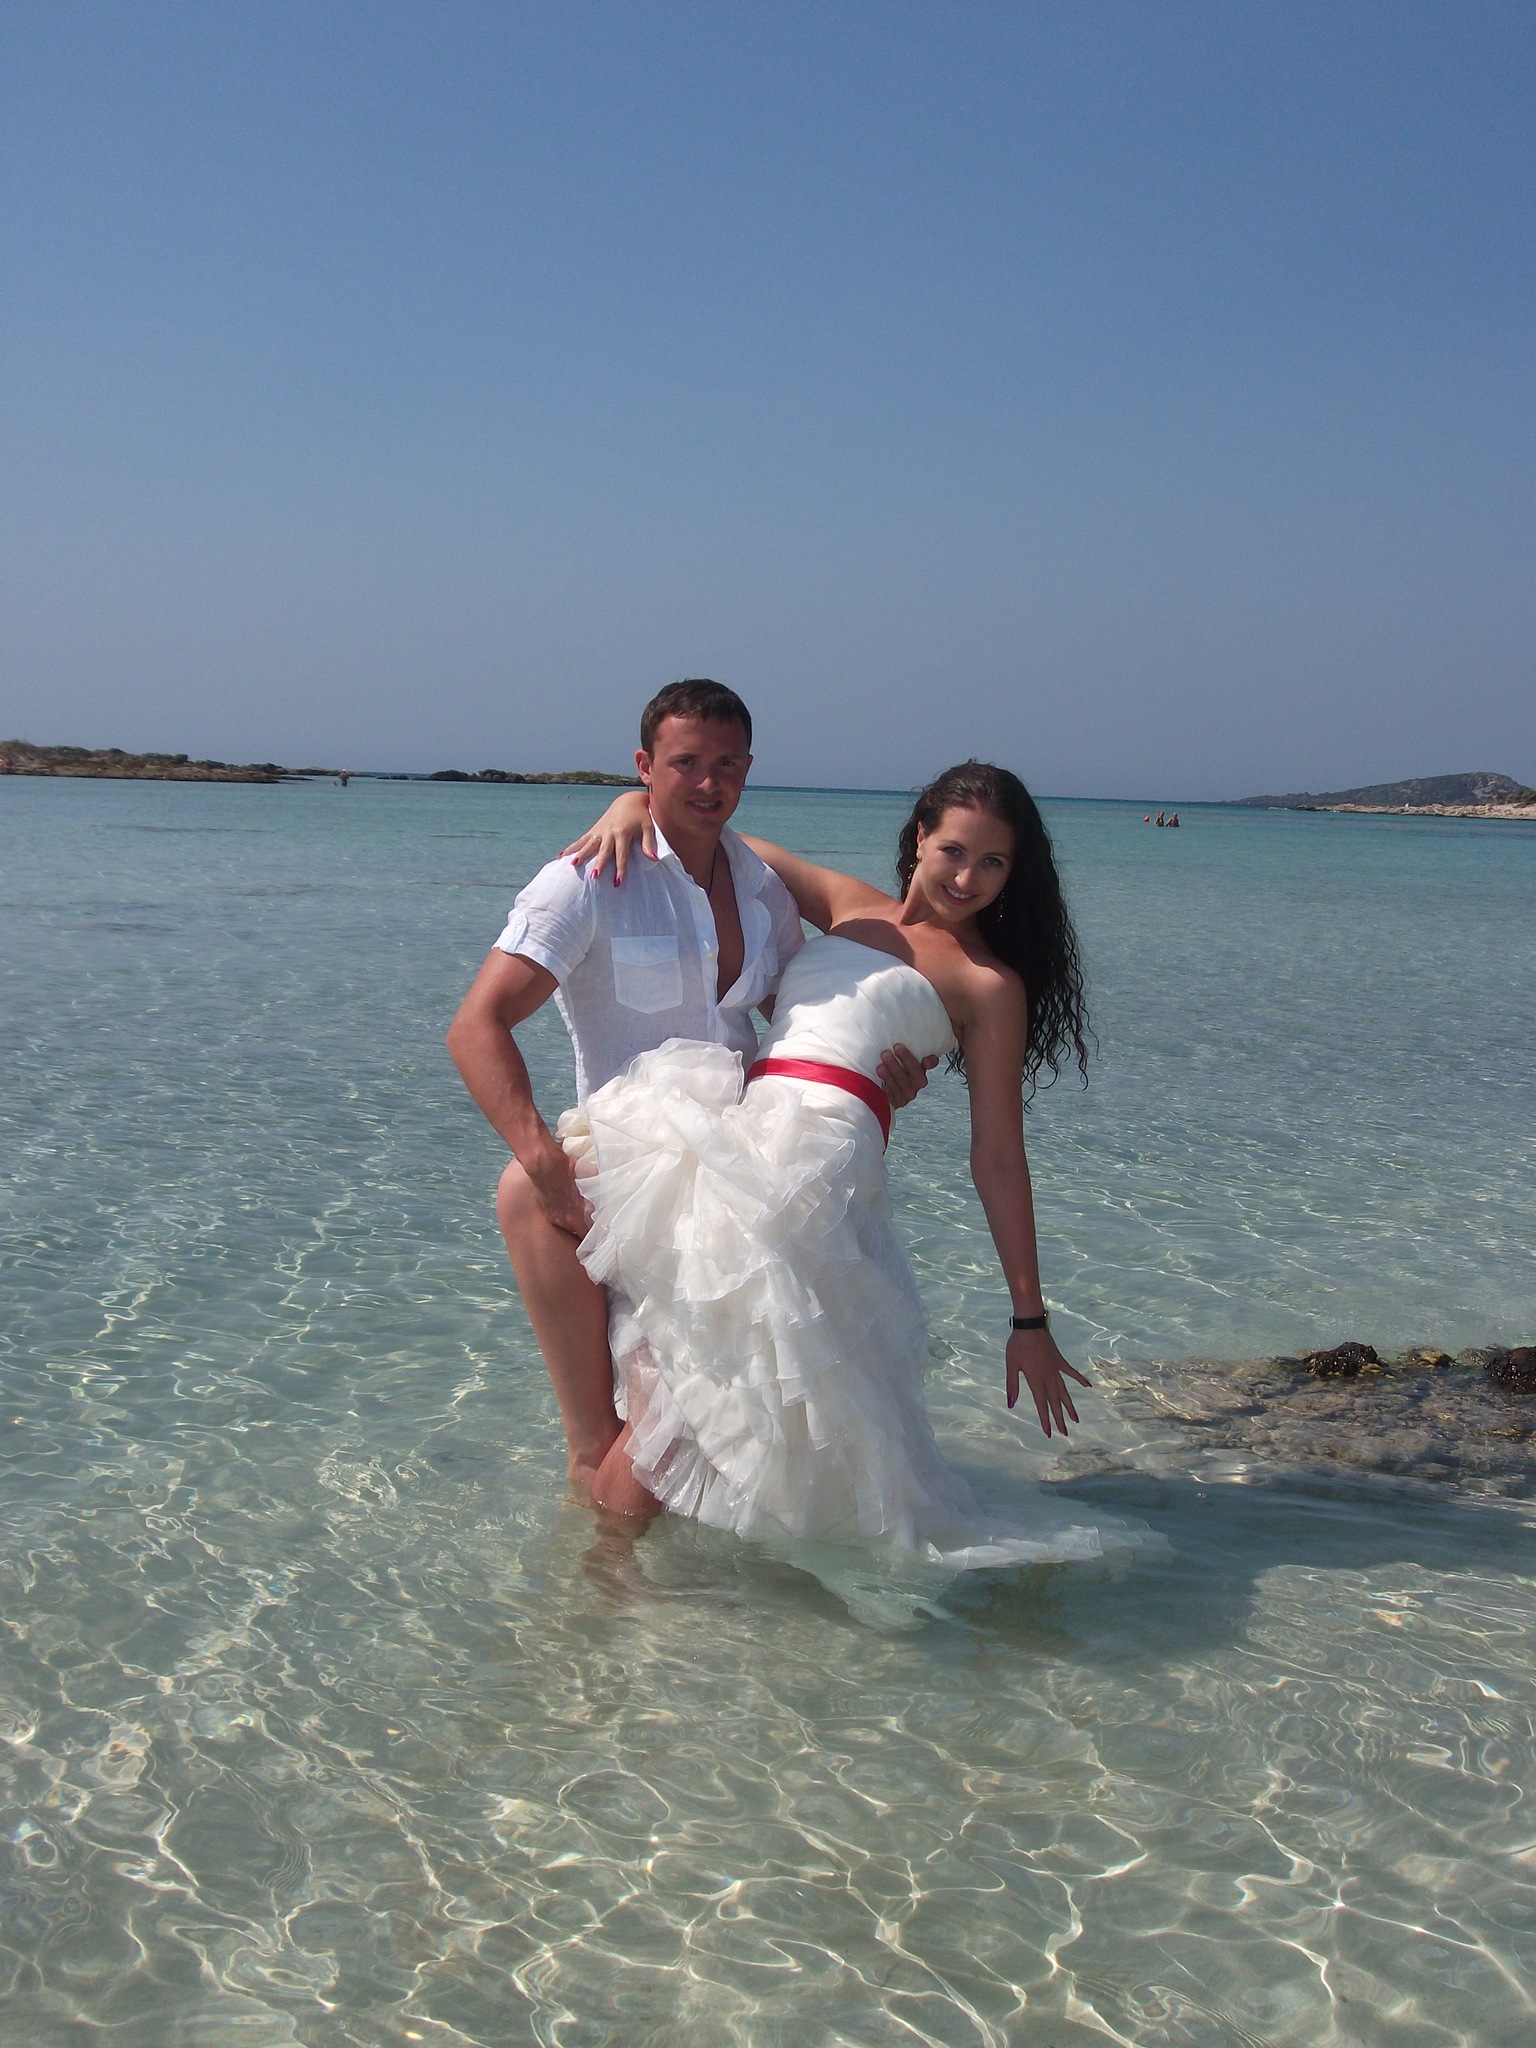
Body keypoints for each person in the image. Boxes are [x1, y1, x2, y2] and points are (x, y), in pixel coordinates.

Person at [558, 761, 1123, 1577]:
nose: (967, 878)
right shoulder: (849, 906)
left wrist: (1028, 1320)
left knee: (689, 1392)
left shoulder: (988, 984)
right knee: (675, 1377)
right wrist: (630, 804)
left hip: (817, 1169)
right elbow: (713, 835)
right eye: (954, 851)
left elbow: (999, 1158)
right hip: (736, 1136)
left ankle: (602, 1592)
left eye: (993, 862)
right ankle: (621, 1588)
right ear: (920, 838)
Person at [446, 681, 934, 1517]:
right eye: (685, 764)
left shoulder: (763, 891)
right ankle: (594, 1593)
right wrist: (543, 1164)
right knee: (628, 1436)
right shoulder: (589, 879)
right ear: (645, 766)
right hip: (618, 1185)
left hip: (729, 1187)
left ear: (749, 767)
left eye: (728, 765)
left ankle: (641, 1590)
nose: (709, 783)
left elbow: (801, 1030)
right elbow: (476, 1026)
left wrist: (881, 1079)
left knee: (694, 1424)